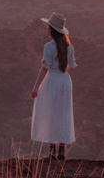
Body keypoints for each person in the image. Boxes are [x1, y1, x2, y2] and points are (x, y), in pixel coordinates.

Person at [31, 12, 77, 160]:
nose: (47, 29)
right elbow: (72, 67)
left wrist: (36, 86)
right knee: (63, 113)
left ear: (52, 30)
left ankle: (52, 151)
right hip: (65, 81)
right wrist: (63, 71)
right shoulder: (69, 47)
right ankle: (62, 150)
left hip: (52, 80)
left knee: (51, 112)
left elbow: (45, 68)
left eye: (49, 27)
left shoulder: (49, 47)